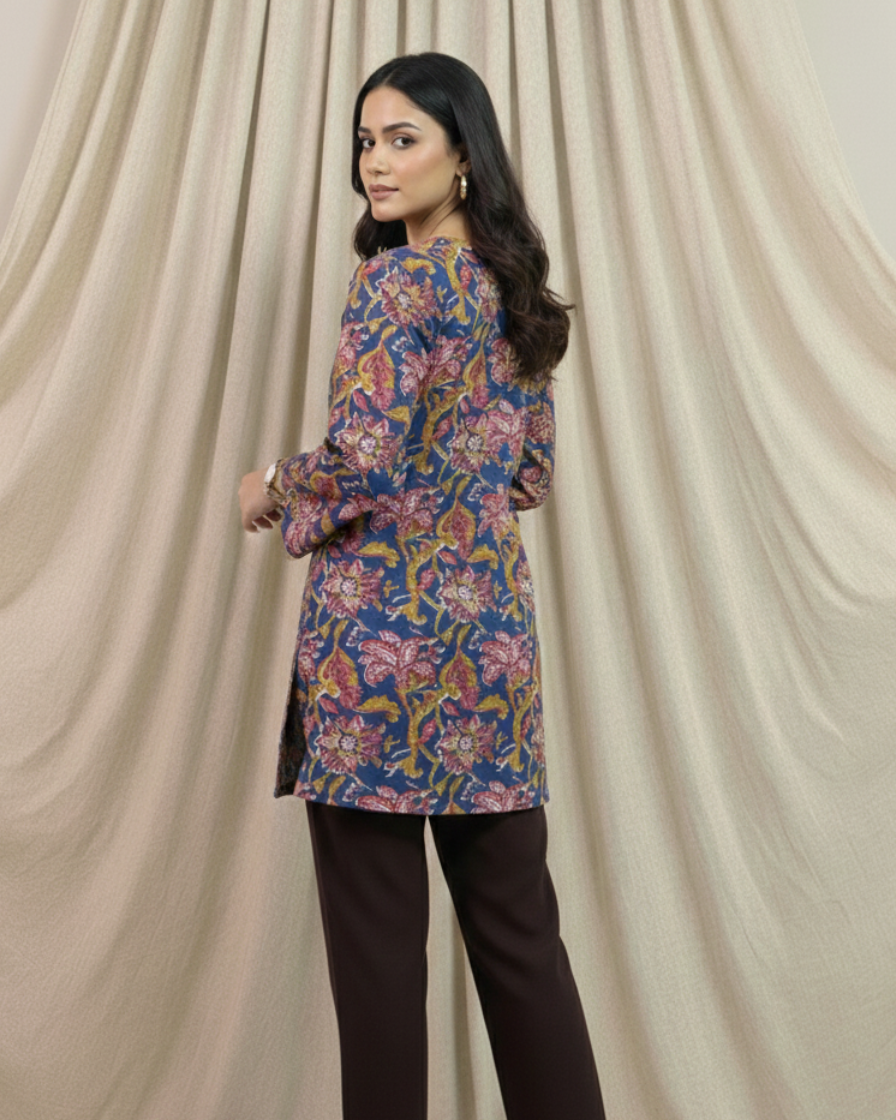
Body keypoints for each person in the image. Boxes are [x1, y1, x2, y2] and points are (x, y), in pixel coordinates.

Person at [239, 51, 605, 1120]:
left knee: (380, 974)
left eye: (402, 139)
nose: (375, 163)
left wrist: (265, 486)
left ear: (462, 157)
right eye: (365, 140)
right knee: (522, 952)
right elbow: (527, 477)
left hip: (375, 671)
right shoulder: (514, 294)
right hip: (490, 658)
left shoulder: (396, 283)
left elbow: (362, 463)